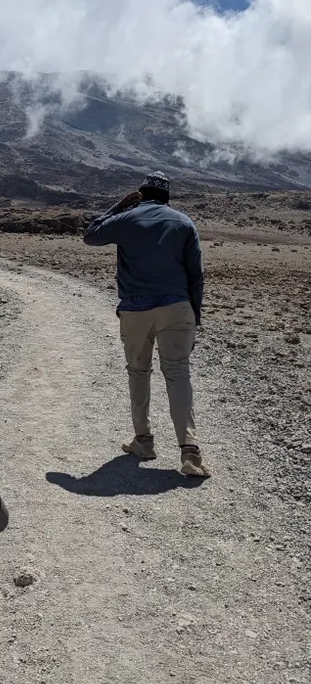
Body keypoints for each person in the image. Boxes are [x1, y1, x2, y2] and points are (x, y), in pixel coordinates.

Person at [83, 172, 210, 478]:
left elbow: (90, 234)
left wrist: (119, 206)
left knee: (139, 372)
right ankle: (189, 452)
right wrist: (195, 315)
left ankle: (144, 441)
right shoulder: (183, 222)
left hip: (136, 309)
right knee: (178, 374)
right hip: (177, 307)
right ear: (167, 199)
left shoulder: (127, 219)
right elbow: (196, 275)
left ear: (141, 194)